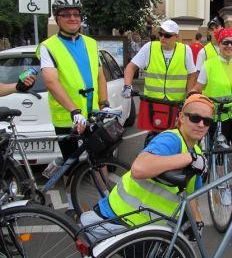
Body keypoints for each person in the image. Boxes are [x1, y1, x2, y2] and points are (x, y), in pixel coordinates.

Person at [80, 93, 213, 241]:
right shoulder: (171, 140)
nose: (201, 124)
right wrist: (189, 158)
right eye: (195, 118)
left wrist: (197, 221)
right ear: (181, 117)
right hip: (119, 220)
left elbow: (190, 194)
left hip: (148, 227)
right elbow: (139, 168)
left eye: (207, 121)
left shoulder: (197, 151)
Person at [37, 0, 110, 219]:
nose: (72, 18)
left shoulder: (90, 42)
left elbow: (100, 76)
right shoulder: (48, 47)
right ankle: (71, 204)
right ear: (57, 18)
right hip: (68, 116)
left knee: (101, 156)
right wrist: (73, 110)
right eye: (66, 14)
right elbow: (51, 81)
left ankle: (107, 201)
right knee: (71, 163)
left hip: (92, 113)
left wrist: (104, 103)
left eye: (76, 14)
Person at [193, 28, 232, 194]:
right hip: (218, 115)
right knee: (219, 156)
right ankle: (222, 188)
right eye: (225, 42)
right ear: (219, 44)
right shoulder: (209, 65)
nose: (229, 46)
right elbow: (198, 87)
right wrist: (193, 98)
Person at [122, 20, 196, 131]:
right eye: (160, 34)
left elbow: (192, 74)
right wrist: (127, 86)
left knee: (176, 138)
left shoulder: (186, 50)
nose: (162, 38)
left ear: (176, 37)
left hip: (176, 104)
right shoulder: (149, 47)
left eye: (167, 35)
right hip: (152, 103)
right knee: (153, 139)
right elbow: (131, 67)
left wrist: (189, 95)